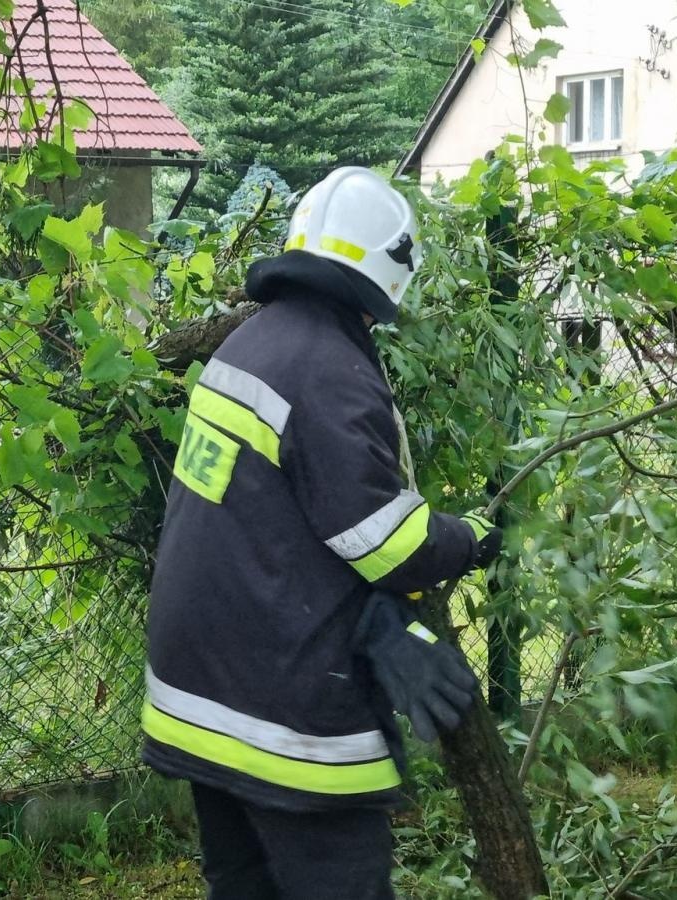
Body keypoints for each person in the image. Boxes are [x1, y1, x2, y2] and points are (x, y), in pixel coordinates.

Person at [142, 166, 503, 899]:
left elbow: (268, 525)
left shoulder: (249, 346)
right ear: (391, 272)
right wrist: (468, 538)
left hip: (196, 691)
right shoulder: (330, 367)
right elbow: (383, 542)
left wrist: (371, 622)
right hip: (280, 711)